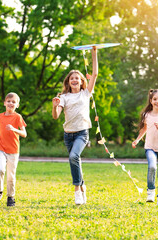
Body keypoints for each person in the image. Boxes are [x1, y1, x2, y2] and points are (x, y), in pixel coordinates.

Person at [52, 46, 98, 205]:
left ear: (81, 81)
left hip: (82, 133)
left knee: (73, 157)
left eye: (77, 78)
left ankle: (77, 190)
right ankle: (83, 185)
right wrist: (54, 105)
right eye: (72, 78)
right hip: (68, 135)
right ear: (68, 82)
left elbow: (96, 74)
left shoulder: (86, 93)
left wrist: (94, 54)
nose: (74, 80)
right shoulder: (63, 97)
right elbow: (56, 116)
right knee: (74, 160)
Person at [132, 89, 158, 207]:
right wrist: (137, 140)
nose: (157, 101)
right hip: (150, 147)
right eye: (155, 99)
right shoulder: (147, 115)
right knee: (152, 166)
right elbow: (144, 129)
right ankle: (150, 192)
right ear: (151, 101)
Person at [0, 92, 27, 207]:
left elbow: (24, 133)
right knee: (0, 169)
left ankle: (11, 197)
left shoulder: (17, 117)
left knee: (11, 176)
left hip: (14, 151)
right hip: (1, 148)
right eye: (9, 101)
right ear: (4, 103)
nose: (11, 103)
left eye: (13, 102)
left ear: (17, 105)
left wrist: (14, 130)